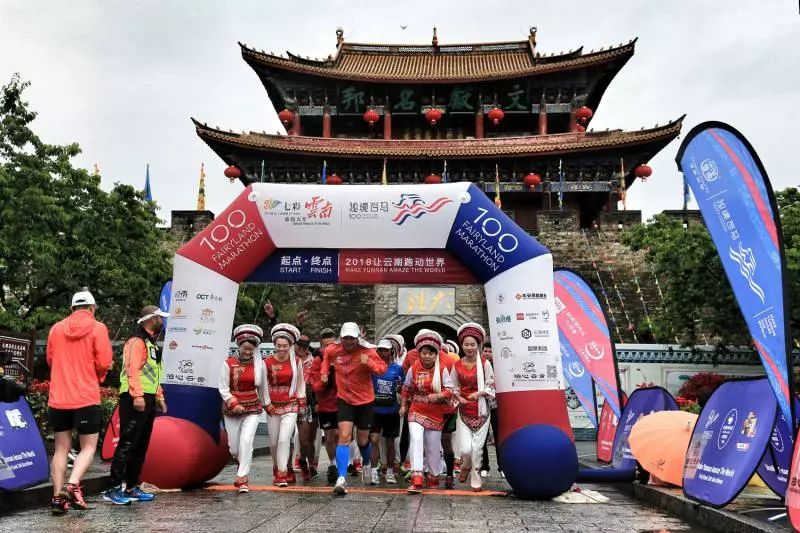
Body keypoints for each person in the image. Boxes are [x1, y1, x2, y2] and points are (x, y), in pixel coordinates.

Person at [46, 291, 113, 513]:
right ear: (92, 308)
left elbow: (50, 359)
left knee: (61, 449)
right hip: (85, 396)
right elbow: (104, 361)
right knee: (89, 447)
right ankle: (72, 484)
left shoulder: (56, 329)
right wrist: (97, 375)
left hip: (59, 397)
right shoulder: (98, 328)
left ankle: (58, 498)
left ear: (72, 308)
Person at [104, 305, 168, 505]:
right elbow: (132, 369)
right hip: (134, 397)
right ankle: (113, 488)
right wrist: (137, 396)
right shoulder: (136, 341)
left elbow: (154, 373)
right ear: (151, 319)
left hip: (148, 397)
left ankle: (132, 486)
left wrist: (159, 396)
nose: (162, 321)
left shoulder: (151, 344)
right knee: (127, 443)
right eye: (160, 318)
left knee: (140, 445)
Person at [320, 322, 387, 495]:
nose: (348, 342)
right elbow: (326, 357)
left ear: (357, 338)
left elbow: (382, 369)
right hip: (345, 400)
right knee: (344, 437)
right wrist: (324, 373)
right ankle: (341, 478)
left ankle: (367, 463)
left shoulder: (368, 351)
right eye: (345, 338)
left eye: (351, 338)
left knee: (363, 441)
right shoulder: (334, 349)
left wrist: (369, 363)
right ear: (341, 338)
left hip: (365, 401)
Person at [400, 330, 454, 493]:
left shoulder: (442, 369)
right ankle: (416, 477)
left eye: (431, 353)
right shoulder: (414, 368)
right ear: (419, 353)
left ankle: (433, 476)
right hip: (416, 410)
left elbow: (450, 390)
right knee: (416, 439)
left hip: (435, 413)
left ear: (436, 354)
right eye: (424, 353)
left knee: (432, 447)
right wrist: (403, 405)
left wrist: (438, 396)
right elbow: (406, 388)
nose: (427, 356)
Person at [218, 324, 266, 493]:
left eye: (251, 349)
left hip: (252, 407)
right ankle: (241, 463)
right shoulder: (228, 364)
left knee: (246, 441)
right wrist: (234, 404)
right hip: (232, 409)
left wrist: (267, 404)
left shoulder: (259, 365)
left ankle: (242, 478)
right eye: (245, 348)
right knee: (235, 448)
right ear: (238, 346)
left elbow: (263, 388)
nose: (247, 352)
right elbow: (223, 388)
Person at [452, 323, 495, 491]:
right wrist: (458, 397)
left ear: (478, 345)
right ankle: (465, 465)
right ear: (462, 345)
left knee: (477, 448)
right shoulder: (457, 365)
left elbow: (491, 385)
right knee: (465, 449)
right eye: (466, 344)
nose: (469, 348)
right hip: (464, 411)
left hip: (481, 411)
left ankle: (476, 479)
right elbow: (452, 386)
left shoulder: (485, 364)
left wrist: (479, 394)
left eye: (473, 344)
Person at [264, 323, 306, 487]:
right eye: (279, 345)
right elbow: (262, 385)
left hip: (290, 404)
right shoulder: (266, 362)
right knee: (274, 442)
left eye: (285, 346)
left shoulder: (296, 361)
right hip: (272, 405)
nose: (281, 349)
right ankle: (277, 467)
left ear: (291, 346)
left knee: (284, 439)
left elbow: (301, 382)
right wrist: (266, 403)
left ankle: (282, 473)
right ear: (274, 345)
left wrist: (301, 399)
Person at [368, 338, 404, 484]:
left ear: (391, 352)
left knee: (390, 442)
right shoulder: (372, 367)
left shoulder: (397, 368)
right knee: (374, 440)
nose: (383, 353)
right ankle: (373, 471)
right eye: (380, 350)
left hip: (392, 410)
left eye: (385, 350)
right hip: (375, 409)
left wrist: (400, 390)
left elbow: (404, 388)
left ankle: (390, 471)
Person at [309, 328, 340, 484]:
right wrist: (323, 381)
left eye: (331, 345)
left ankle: (341, 464)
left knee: (340, 435)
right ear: (321, 345)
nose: (329, 348)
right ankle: (333, 465)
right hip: (325, 404)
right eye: (326, 345)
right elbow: (314, 386)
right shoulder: (317, 361)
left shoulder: (342, 357)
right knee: (329, 438)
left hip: (342, 403)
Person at [294, 334, 318, 481]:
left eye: (305, 346)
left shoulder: (314, 359)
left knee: (310, 437)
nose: (302, 348)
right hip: (291, 400)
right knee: (300, 438)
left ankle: (310, 464)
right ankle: (289, 467)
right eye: (300, 345)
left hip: (310, 400)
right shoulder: (289, 358)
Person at [479, 341, 502, 478]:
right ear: (481, 352)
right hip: (481, 405)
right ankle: (484, 466)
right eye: (485, 351)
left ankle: (502, 466)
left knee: (498, 435)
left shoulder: (499, 367)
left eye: (490, 351)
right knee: (482, 436)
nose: (487, 354)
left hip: (496, 405)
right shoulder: (478, 365)